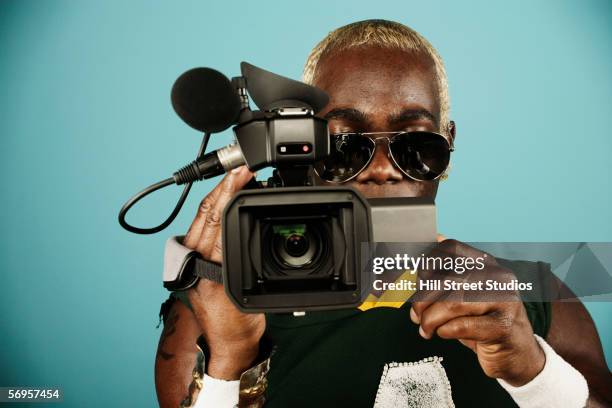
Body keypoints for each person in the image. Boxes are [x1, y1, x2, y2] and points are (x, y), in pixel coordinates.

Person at [155, 20, 612, 407]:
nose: (380, 169)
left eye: (415, 144)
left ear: (449, 142)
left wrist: (533, 368)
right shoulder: (219, 306)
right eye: (344, 146)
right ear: (302, 152)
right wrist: (231, 358)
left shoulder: (536, 293)